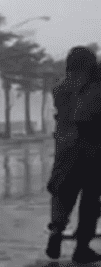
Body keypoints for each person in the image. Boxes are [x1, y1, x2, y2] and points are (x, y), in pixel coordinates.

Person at [45, 46, 101, 263]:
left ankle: (56, 231)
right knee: (90, 201)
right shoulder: (94, 87)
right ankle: (82, 248)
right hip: (91, 150)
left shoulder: (60, 88)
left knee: (62, 194)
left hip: (64, 149)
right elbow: (87, 114)